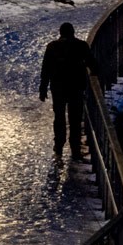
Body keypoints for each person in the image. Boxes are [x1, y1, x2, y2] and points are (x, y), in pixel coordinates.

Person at [39, 22, 98, 160]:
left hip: (58, 88)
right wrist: (96, 75)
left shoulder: (52, 47)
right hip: (76, 87)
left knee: (59, 117)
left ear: (60, 33)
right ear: (73, 32)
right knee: (75, 119)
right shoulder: (81, 45)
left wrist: (43, 89)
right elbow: (92, 63)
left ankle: (59, 146)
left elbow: (45, 69)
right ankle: (75, 149)